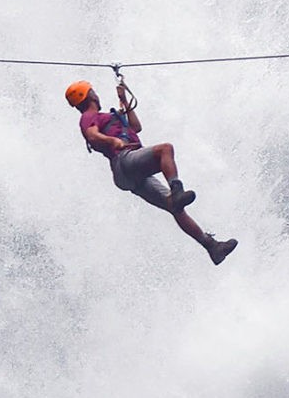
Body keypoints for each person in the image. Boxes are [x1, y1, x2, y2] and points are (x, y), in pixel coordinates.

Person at [65, 78, 238, 265]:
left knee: (174, 207)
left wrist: (124, 101)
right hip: (123, 161)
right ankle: (177, 189)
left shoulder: (107, 117)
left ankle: (212, 247)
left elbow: (136, 127)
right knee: (165, 149)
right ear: (89, 95)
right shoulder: (89, 116)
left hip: (129, 173)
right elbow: (92, 135)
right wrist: (111, 141)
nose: (96, 94)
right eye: (93, 91)